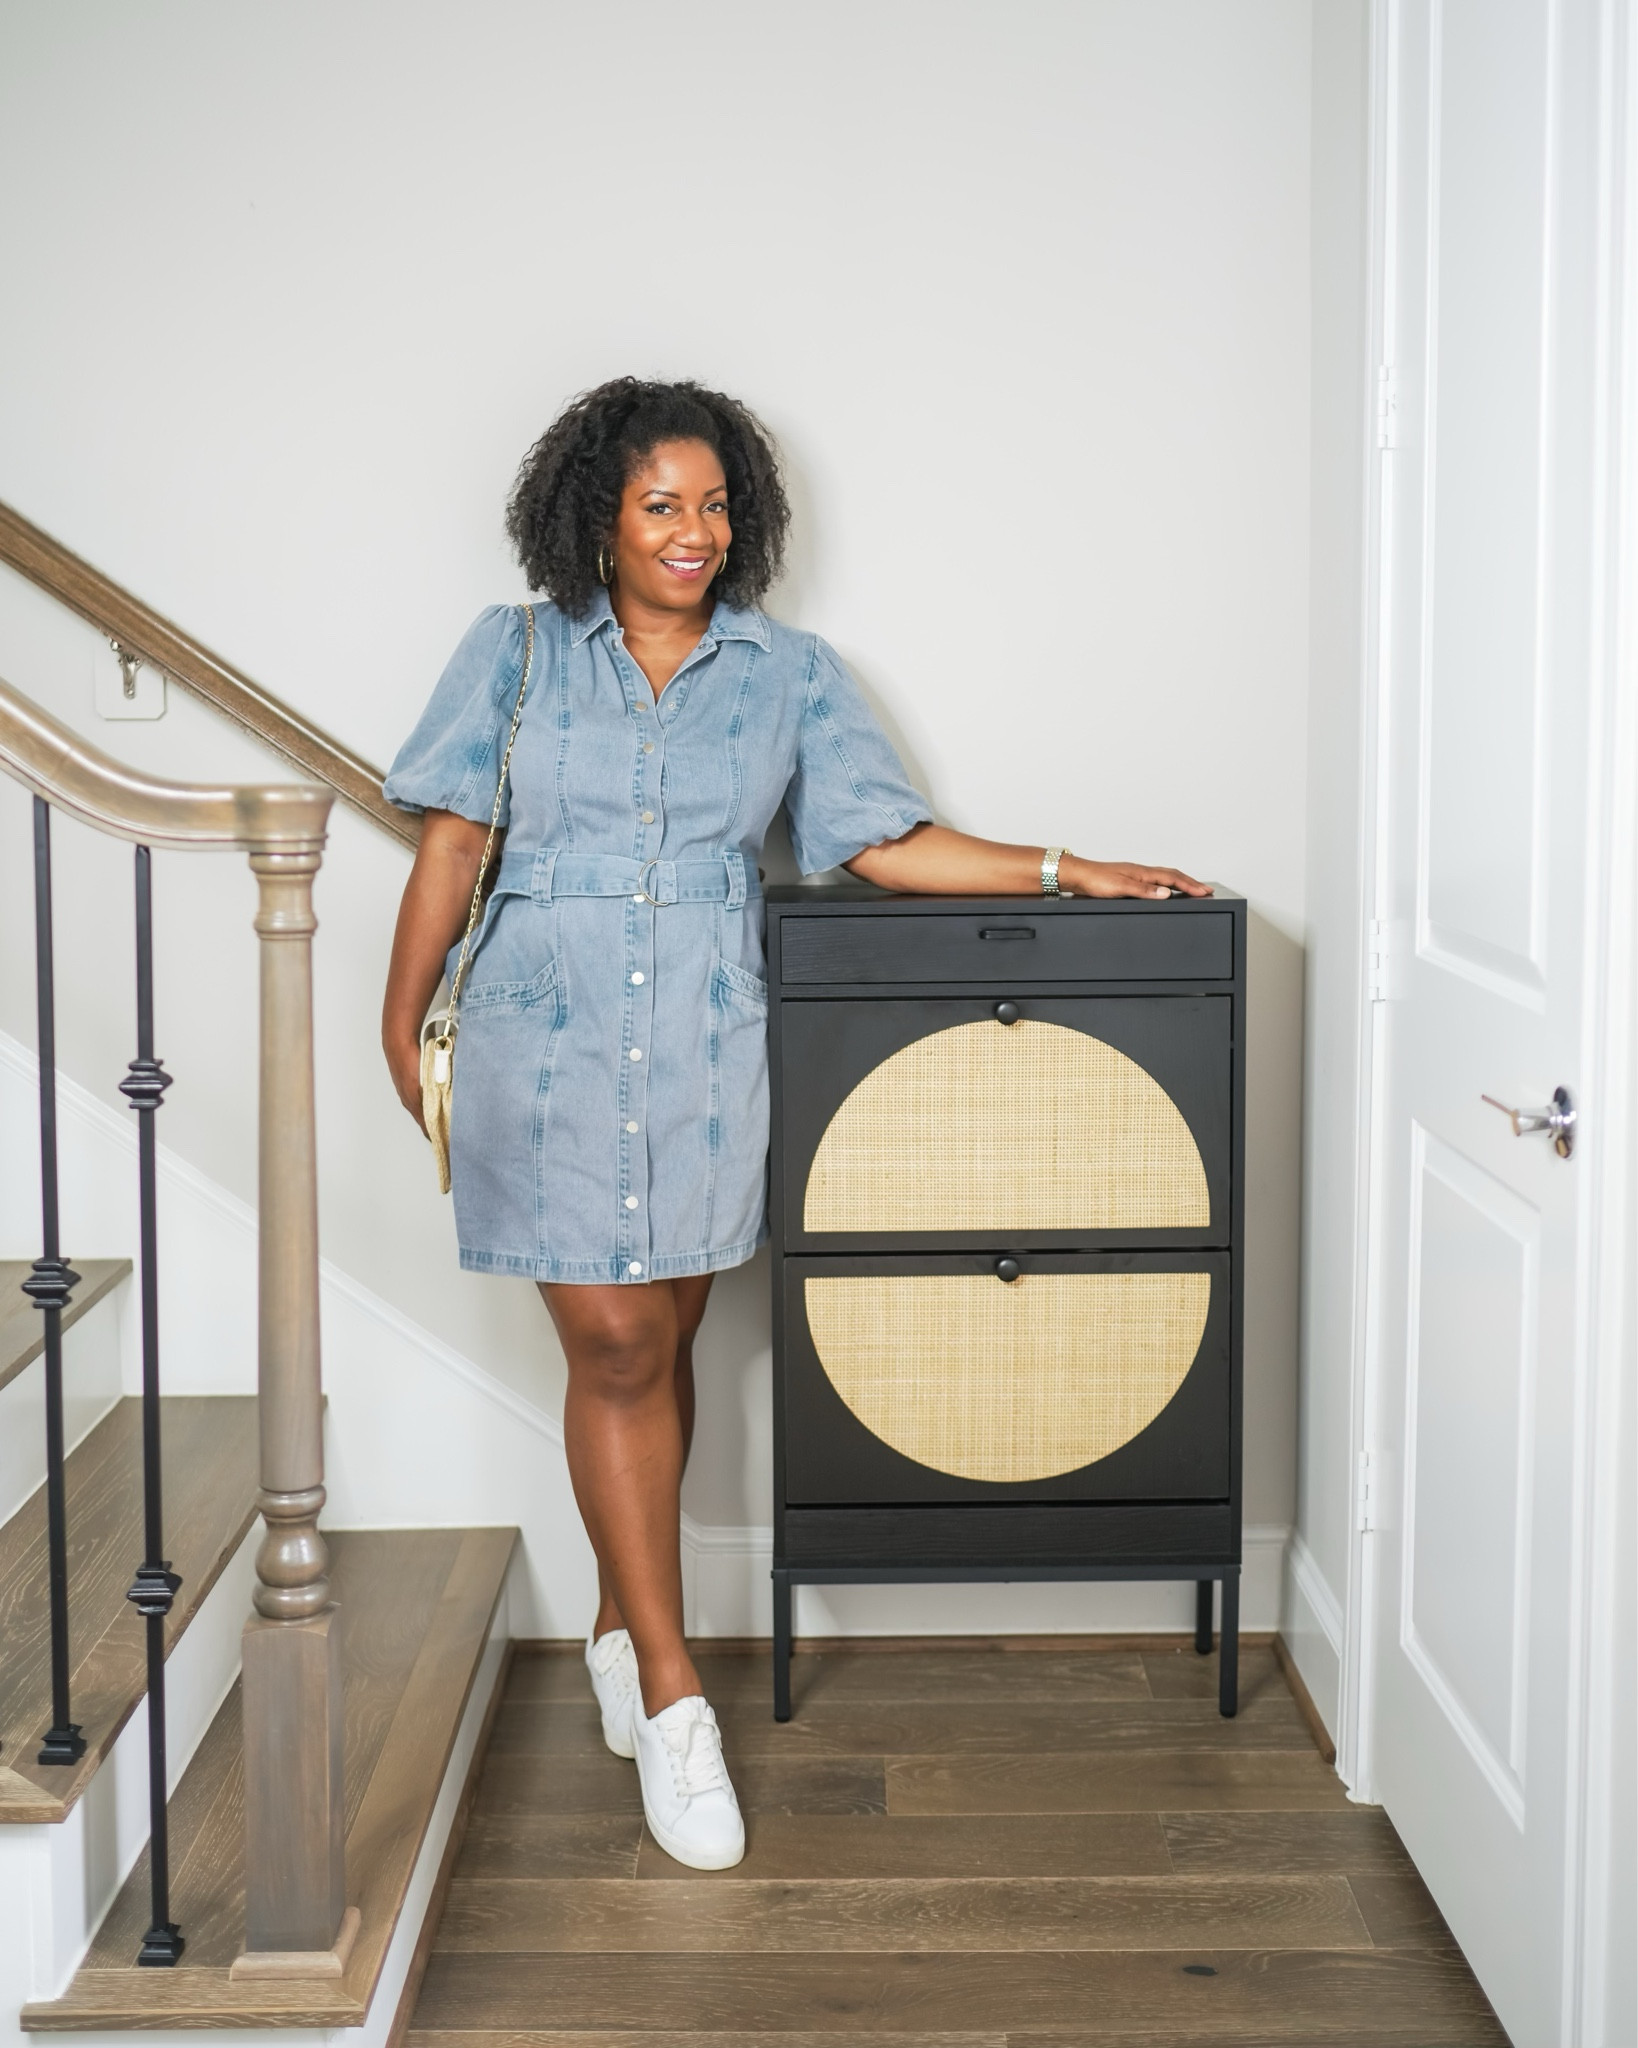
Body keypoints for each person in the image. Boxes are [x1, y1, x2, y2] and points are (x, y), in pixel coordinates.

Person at [380, 377, 1208, 1869]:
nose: (693, 532)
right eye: (659, 506)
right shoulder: (509, 656)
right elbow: (454, 837)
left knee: (665, 1343)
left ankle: (622, 1635)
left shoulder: (788, 673)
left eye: (713, 505)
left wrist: (1070, 868)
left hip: (704, 1035)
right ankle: (679, 1695)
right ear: (596, 519)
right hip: (543, 1031)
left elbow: (881, 842)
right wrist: (399, 1014)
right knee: (618, 1345)